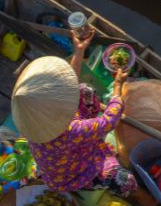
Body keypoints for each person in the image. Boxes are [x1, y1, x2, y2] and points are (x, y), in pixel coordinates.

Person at [12, 55, 136, 196]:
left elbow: (70, 83)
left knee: (84, 91)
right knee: (125, 181)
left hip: (67, 153)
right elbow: (109, 121)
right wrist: (117, 85)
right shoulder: (71, 130)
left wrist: (79, 49)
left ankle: (92, 131)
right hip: (74, 173)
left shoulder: (34, 123)